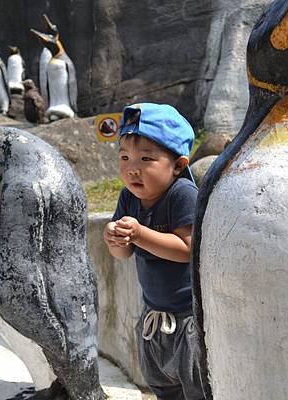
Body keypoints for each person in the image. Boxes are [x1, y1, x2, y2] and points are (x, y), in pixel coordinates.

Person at [103, 103, 205, 399]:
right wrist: (116, 241)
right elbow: (124, 255)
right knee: (162, 386)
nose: (132, 167)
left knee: (196, 388)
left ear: (178, 164)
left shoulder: (182, 195)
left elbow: (187, 249)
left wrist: (138, 233)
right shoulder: (128, 196)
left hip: (189, 320)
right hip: (154, 316)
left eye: (146, 158)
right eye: (125, 157)